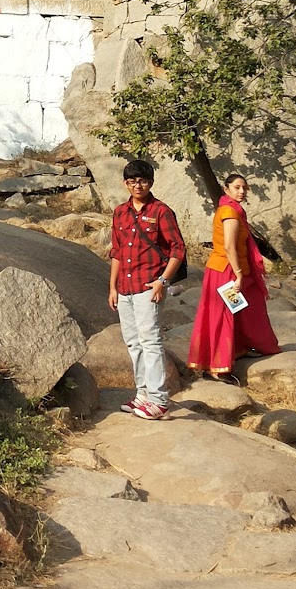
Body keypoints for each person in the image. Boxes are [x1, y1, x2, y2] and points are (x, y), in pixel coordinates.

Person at [109, 157, 186, 420]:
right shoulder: (120, 212)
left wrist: (163, 281)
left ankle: (159, 400)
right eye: (132, 181)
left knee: (151, 341)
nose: (137, 186)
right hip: (125, 287)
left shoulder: (161, 211)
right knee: (133, 343)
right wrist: (112, 288)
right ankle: (142, 395)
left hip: (148, 285)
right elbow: (117, 252)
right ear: (125, 184)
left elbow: (178, 248)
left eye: (142, 181)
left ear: (150, 182)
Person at [188, 172, 279, 380]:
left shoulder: (235, 210)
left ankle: (239, 348)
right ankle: (217, 369)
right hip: (226, 272)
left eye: (244, 188)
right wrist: (238, 276)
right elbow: (229, 247)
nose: (241, 191)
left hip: (234, 270)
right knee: (224, 316)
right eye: (237, 187)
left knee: (245, 309)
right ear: (226, 189)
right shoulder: (229, 211)